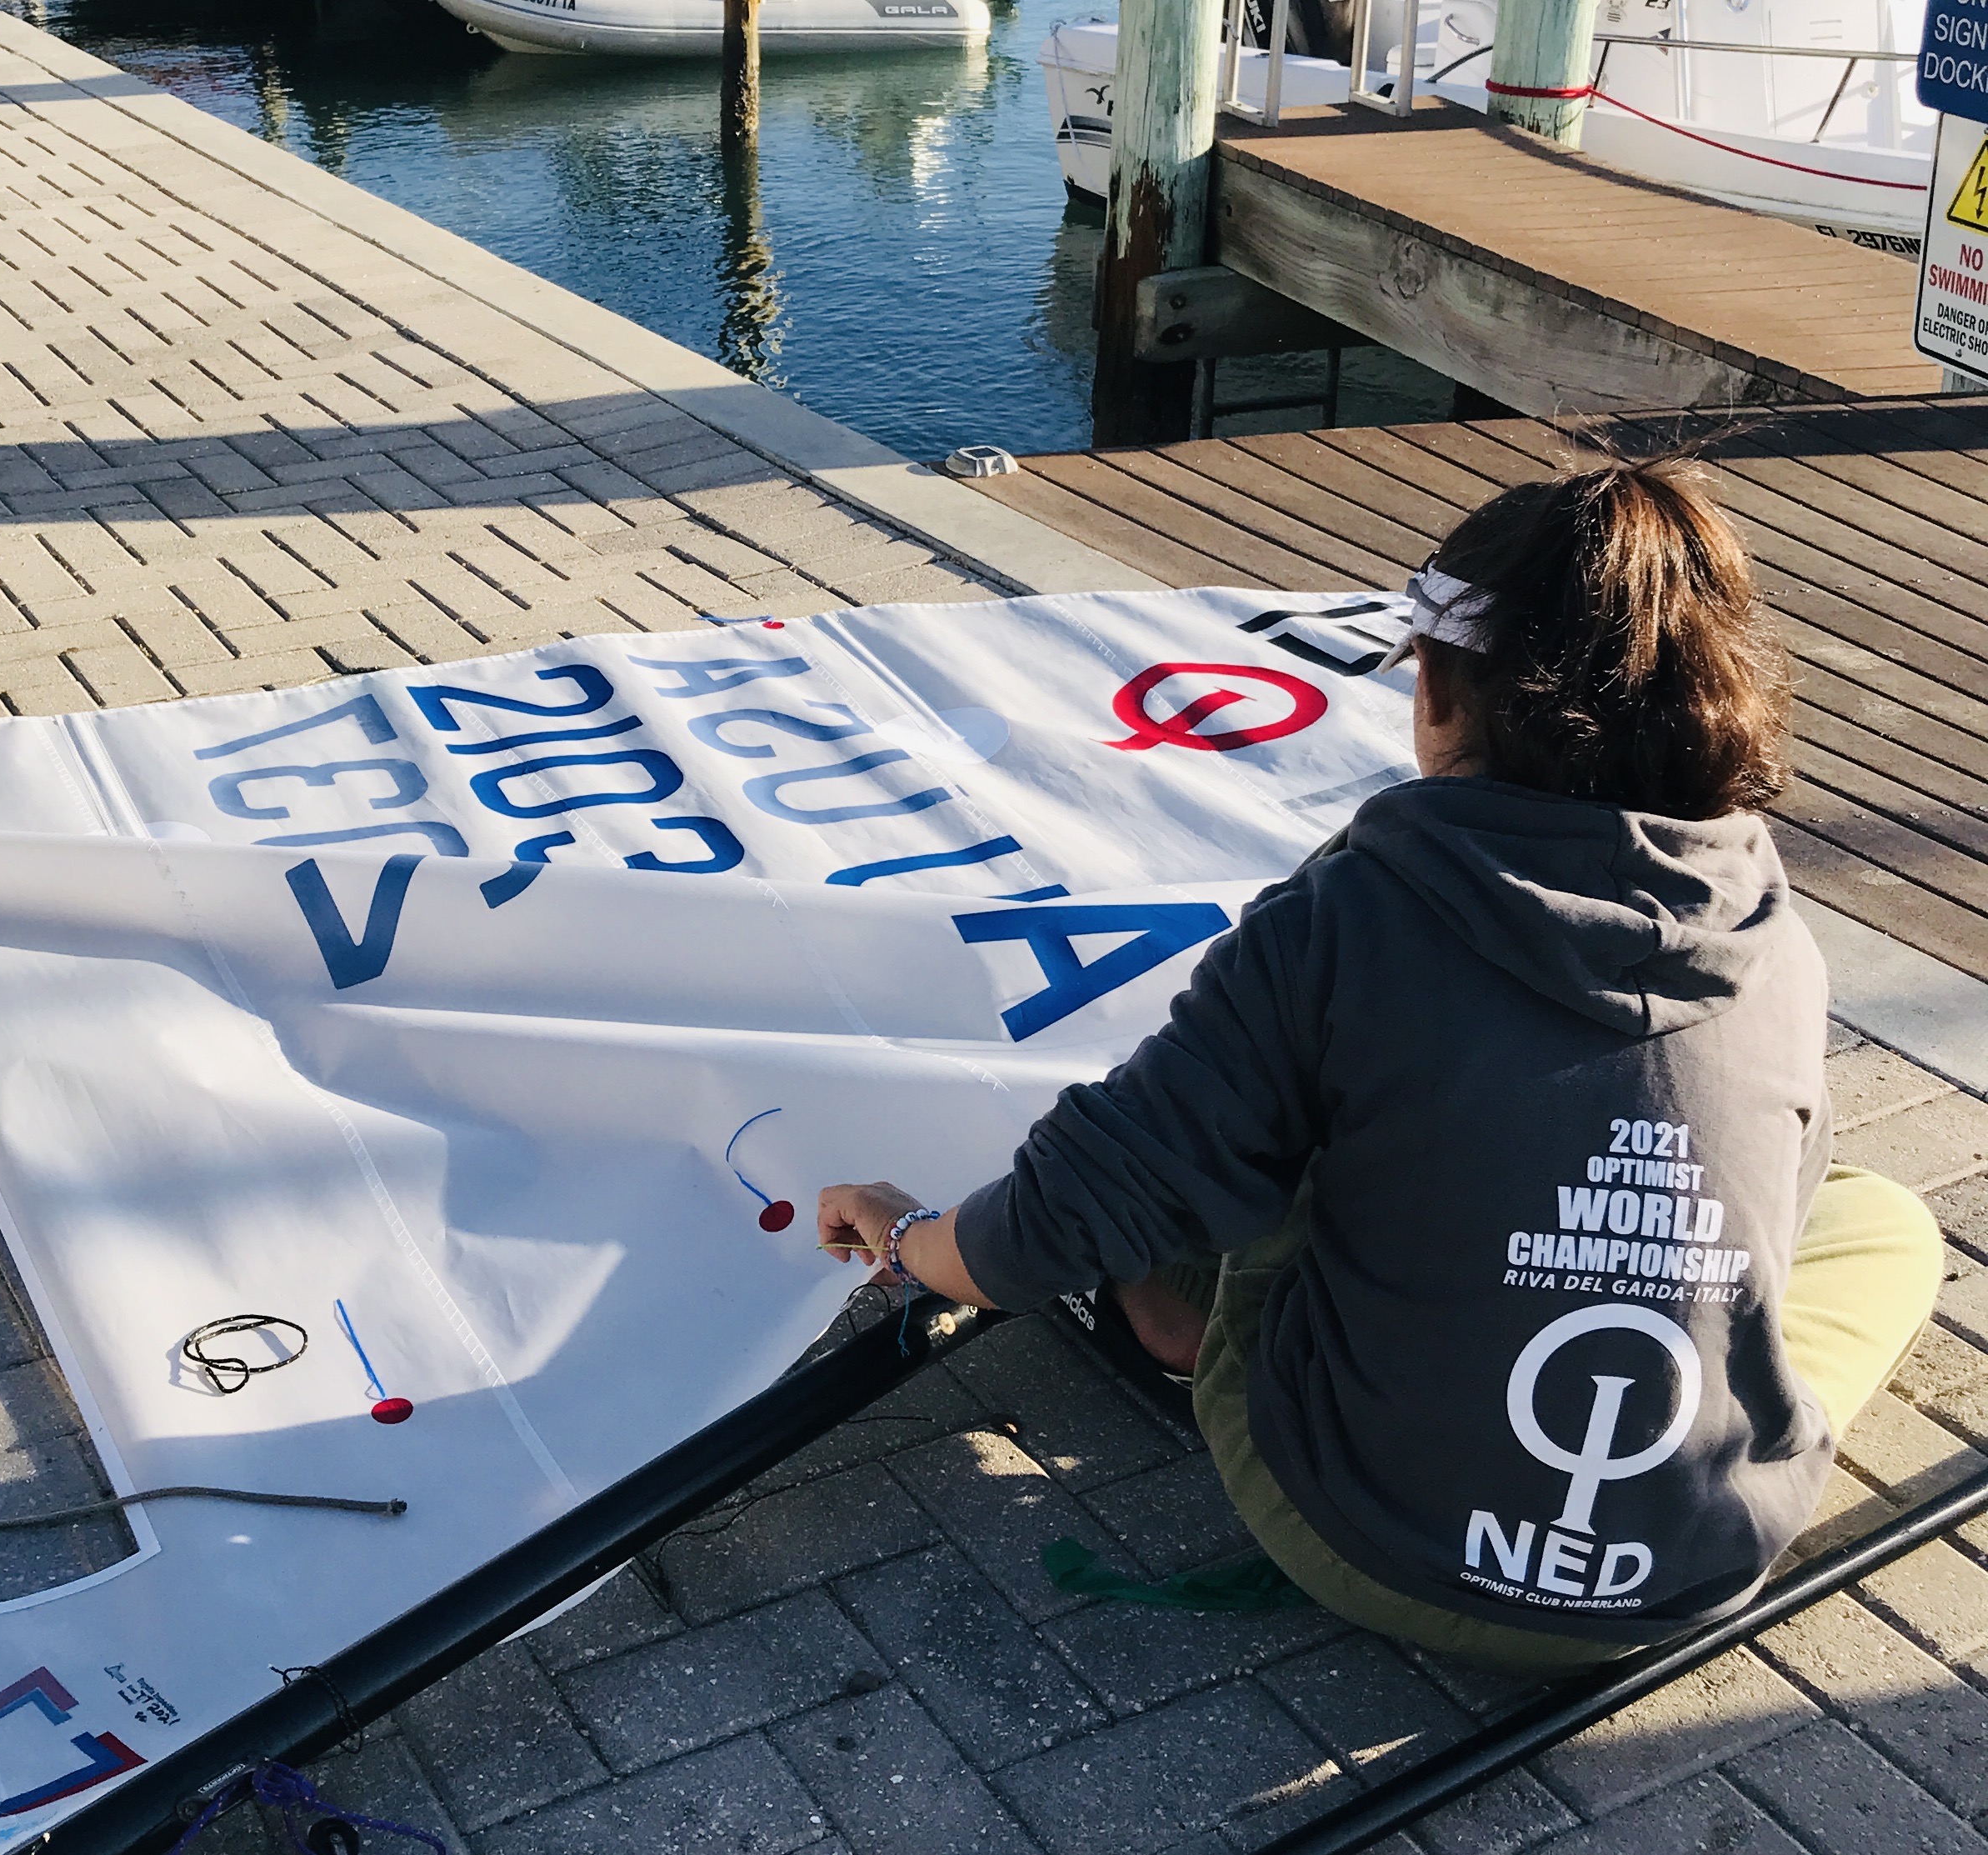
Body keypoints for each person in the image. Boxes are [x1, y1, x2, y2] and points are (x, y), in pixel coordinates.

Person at [817, 459, 1943, 1672]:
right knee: (1882, 1222)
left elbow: (1048, 1225)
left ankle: (1181, 1317)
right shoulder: (1775, 940)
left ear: (1447, 688)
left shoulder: (1352, 915)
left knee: (1278, 1108)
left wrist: (910, 1237)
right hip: (1686, 1573)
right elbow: (1768, 1217)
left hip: (1361, 1537)